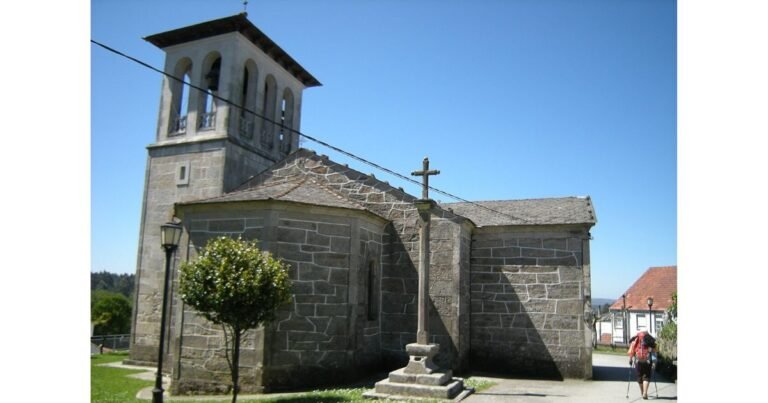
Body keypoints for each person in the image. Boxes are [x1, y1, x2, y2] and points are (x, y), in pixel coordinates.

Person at [628, 330, 656, 400]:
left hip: (638, 361)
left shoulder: (635, 339)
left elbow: (631, 351)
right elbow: (654, 352)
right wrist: (654, 362)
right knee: (646, 377)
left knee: (639, 377)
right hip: (648, 361)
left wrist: (630, 359)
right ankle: (645, 393)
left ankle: (642, 392)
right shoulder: (650, 340)